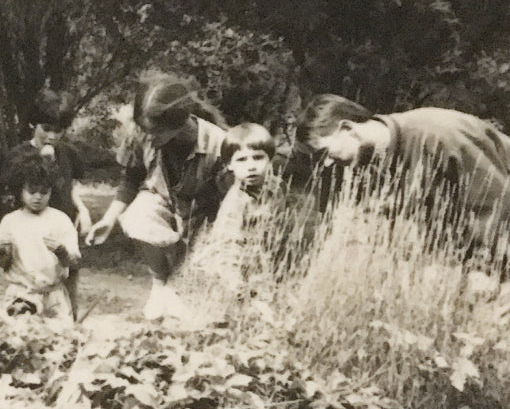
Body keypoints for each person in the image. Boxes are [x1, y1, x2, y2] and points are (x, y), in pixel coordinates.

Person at [86, 71, 230, 325]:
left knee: (194, 294)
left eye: (154, 133)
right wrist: (108, 220)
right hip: (162, 202)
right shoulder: (143, 134)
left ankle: (186, 302)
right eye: (144, 130)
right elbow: (131, 180)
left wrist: (197, 241)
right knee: (137, 216)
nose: (147, 137)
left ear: (180, 123)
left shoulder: (218, 145)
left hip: (204, 215)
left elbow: (224, 204)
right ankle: (160, 281)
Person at [297, 94, 510, 265]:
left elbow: (494, 206)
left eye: (324, 153)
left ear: (348, 129)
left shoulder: (438, 135)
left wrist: (482, 268)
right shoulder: (373, 160)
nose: (326, 164)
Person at [6, 91, 92, 318]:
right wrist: (43, 159)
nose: (53, 135)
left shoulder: (69, 152)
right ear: (34, 123)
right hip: (32, 230)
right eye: (46, 128)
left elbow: (71, 186)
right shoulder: (20, 154)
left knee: (68, 282)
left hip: (62, 225)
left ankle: (70, 332)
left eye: (58, 130)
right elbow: (15, 193)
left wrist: (82, 209)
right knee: (31, 285)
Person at [190, 123, 281, 294]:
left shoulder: (276, 187)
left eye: (258, 157)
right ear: (229, 165)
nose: (251, 166)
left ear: (270, 159)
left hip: (262, 254)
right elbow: (228, 243)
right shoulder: (236, 202)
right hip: (232, 258)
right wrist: (234, 280)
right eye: (241, 159)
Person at [0, 153, 81, 322]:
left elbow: (75, 261)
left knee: (58, 342)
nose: (38, 197)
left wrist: (62, 252)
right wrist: (1, 252)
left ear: (51, 192)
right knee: (21, 339)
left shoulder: (60, 220)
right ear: (20, 190)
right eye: (32, 191)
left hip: (53, 297)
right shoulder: (11, 221)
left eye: (44, 192)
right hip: (21, 295)